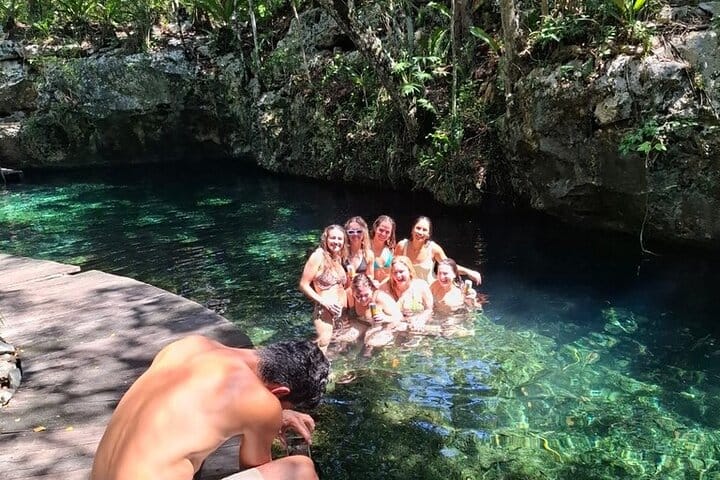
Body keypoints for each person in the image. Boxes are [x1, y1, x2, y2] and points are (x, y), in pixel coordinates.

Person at [91, 335, 330, 480]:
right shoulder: (262, 404)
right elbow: (255, 468)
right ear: (279, 392)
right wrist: (271, 416)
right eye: (281, 404)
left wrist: (279, 412)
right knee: (301, 469)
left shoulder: (190, 346)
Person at [299, 224, 348, 354]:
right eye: (333, 238)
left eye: (340, 239)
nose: (336, 242)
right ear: (326, 238)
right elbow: (303, 284)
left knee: (337, 349)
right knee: (322, 346)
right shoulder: (318, 256)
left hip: (339, 312)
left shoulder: (337, 256)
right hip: (324, 311)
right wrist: (325, 303)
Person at [394, 216, 482, 285]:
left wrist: (469, 272)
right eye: (418, 228)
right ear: (412, 230)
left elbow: (450, 267)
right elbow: (392, 269)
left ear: (428, 235)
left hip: (430, 291)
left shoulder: (433, 249)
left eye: (424, 230)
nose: (420, 232)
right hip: (407, 291)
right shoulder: (402, 246)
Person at [347, 273, 403, 349]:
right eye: (358, 296)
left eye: (366, 295)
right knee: (346, 337)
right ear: (353, 292)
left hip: (384, 326)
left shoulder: (380, 297)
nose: (363, 299)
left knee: (371, 343)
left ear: (371, 288)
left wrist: (385, 318)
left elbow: (400, 317)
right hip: (364, 324)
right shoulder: (351, 296)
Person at [381, 256, 433, 333]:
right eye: (395, 272)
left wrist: (421, 319)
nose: (398, 276)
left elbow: (429, 310)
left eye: (401, 271)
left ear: (409, 271)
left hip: (417, 326)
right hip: (394, 326)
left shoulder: (421, 286)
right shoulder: (386, 287)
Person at [344, 216, 375, 281]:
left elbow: (371, 277)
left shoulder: (368, 255)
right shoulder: (341, 254)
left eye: (359, 231)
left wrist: (356, 276)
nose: (355, 234)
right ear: (346, 234)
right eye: (351, 232)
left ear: (364, 233)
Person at [369, 215, 396, 286]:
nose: (383, 234)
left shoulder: (391, 249)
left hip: (387, 289)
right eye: (381, 230)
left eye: (387, 232)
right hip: (370, 288)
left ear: (391, 234)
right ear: (375, 228)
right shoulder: (366, 247)